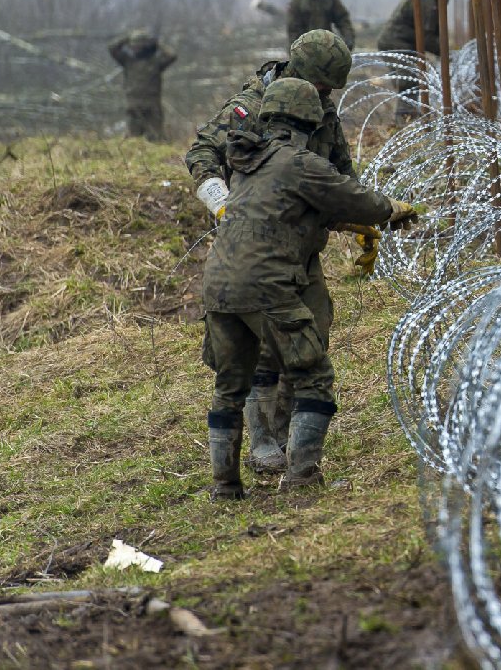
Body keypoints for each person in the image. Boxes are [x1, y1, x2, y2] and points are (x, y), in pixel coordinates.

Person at [200, 77, 417, 498]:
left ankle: (225, 486)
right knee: (313, 375)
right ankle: (302, 477)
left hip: (218, 284)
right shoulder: (299, 163)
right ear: (308, 121)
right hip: (266, 285)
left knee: (229, 384)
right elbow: (354, 198)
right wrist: (391, 209)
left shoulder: (246, 163)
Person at [185, 29, 357, 476]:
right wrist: (222, 203)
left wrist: (355, 215)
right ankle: (262, 441)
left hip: (302, 248)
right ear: (301, 73)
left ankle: (286, 438)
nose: (326, 95)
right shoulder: (251, 107)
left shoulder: (323, 113)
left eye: (331, 89)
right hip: (253, 249)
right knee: (261, 349)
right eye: (321, 85)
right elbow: (202, 153)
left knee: (311, 338)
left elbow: (341, 174)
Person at [376, 0, 466, 121]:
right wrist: (446, 54)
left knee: (411, 79)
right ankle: (404, 119)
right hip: (396, 42)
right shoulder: (427, 1)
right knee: (409, 79)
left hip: (406, 42)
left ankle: (408, 115)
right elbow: (427, 38)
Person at [108, 29, 176, 141]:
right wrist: (127, 38)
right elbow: (112, 48)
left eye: (139, 46)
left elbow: (172, 56)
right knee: (134, 138)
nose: (135, 48)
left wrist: (157, 43)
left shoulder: (155, 62)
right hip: (134, 105)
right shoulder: (128, 60)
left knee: (156, 138)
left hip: (151, 105)